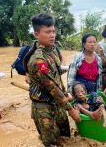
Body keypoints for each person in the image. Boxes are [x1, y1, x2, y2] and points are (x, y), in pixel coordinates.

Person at [24, 13, 81, 147]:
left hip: (58, 102)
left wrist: (66, 94)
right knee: (52, 143)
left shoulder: (53, 50)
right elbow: (51, 87)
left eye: (53, 31)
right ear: (36, 34)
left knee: (66, 137)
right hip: (44, 107)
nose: (52, 35)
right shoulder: (38, 60)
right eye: (48, 32)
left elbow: (56, 79)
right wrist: (71, 110)